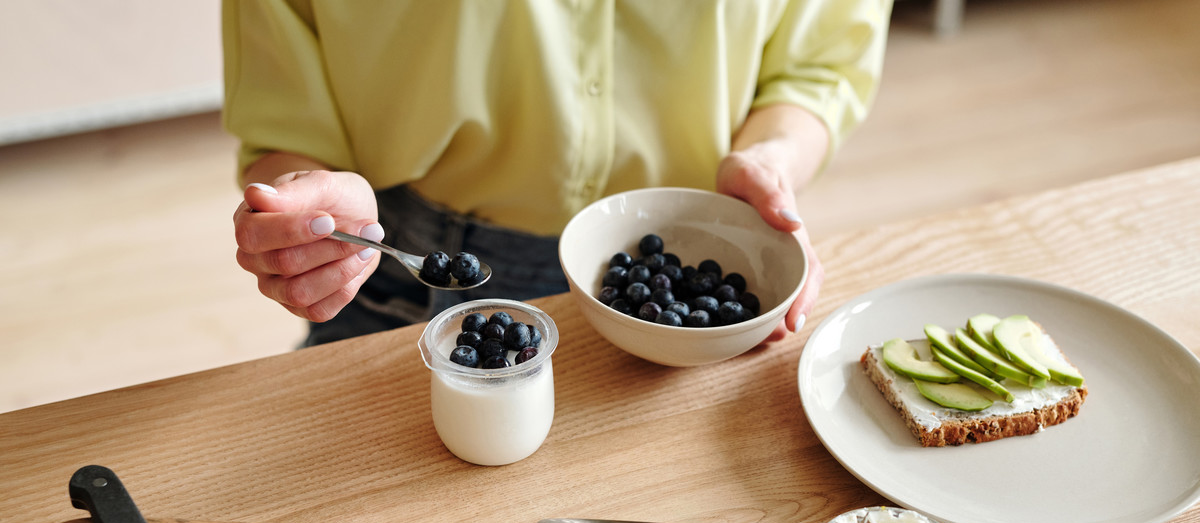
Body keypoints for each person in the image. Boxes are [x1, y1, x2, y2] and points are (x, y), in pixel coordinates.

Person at [223, 1, 893, 346]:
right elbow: (287, 123)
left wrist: (770, 162)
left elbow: (820, 61)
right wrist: (304, 208)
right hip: (400, 277)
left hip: (696, 288)